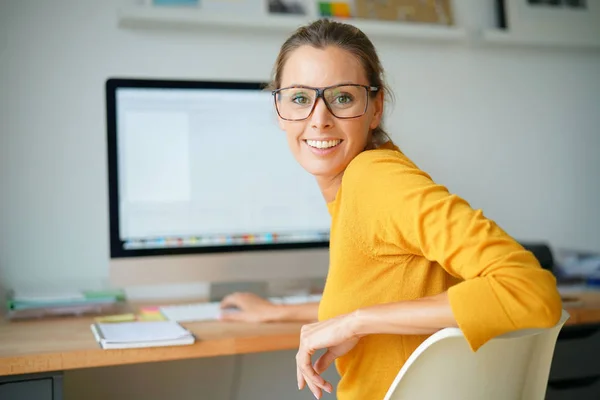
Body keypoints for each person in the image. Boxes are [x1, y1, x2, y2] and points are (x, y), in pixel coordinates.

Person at [219, 19, 563, 400]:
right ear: (280, 110)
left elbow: (530, 290)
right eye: (300, 98)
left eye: (342, 97)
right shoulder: (356, 186)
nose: (319, 118)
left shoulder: (375, 181)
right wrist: (280, 313)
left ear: (376, 107)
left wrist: (357, 323)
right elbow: (384, 295)